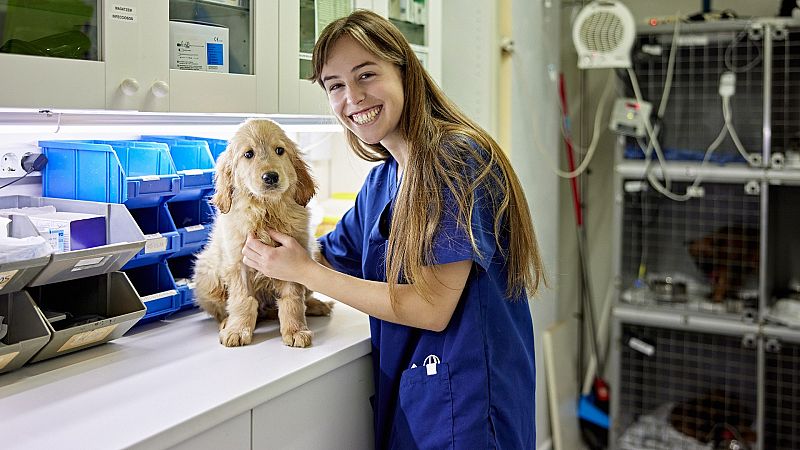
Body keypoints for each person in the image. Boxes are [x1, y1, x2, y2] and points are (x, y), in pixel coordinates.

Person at [242, 9, 546, 449]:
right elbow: (328, 252)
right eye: (336, 87)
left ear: (403, 70)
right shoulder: (385, 179)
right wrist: (249, 251)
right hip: (422, 398)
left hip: (468, 406)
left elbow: (431, 306)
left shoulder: (452, 161)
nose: (353, 98)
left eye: (367, 75)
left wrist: (306, 274)